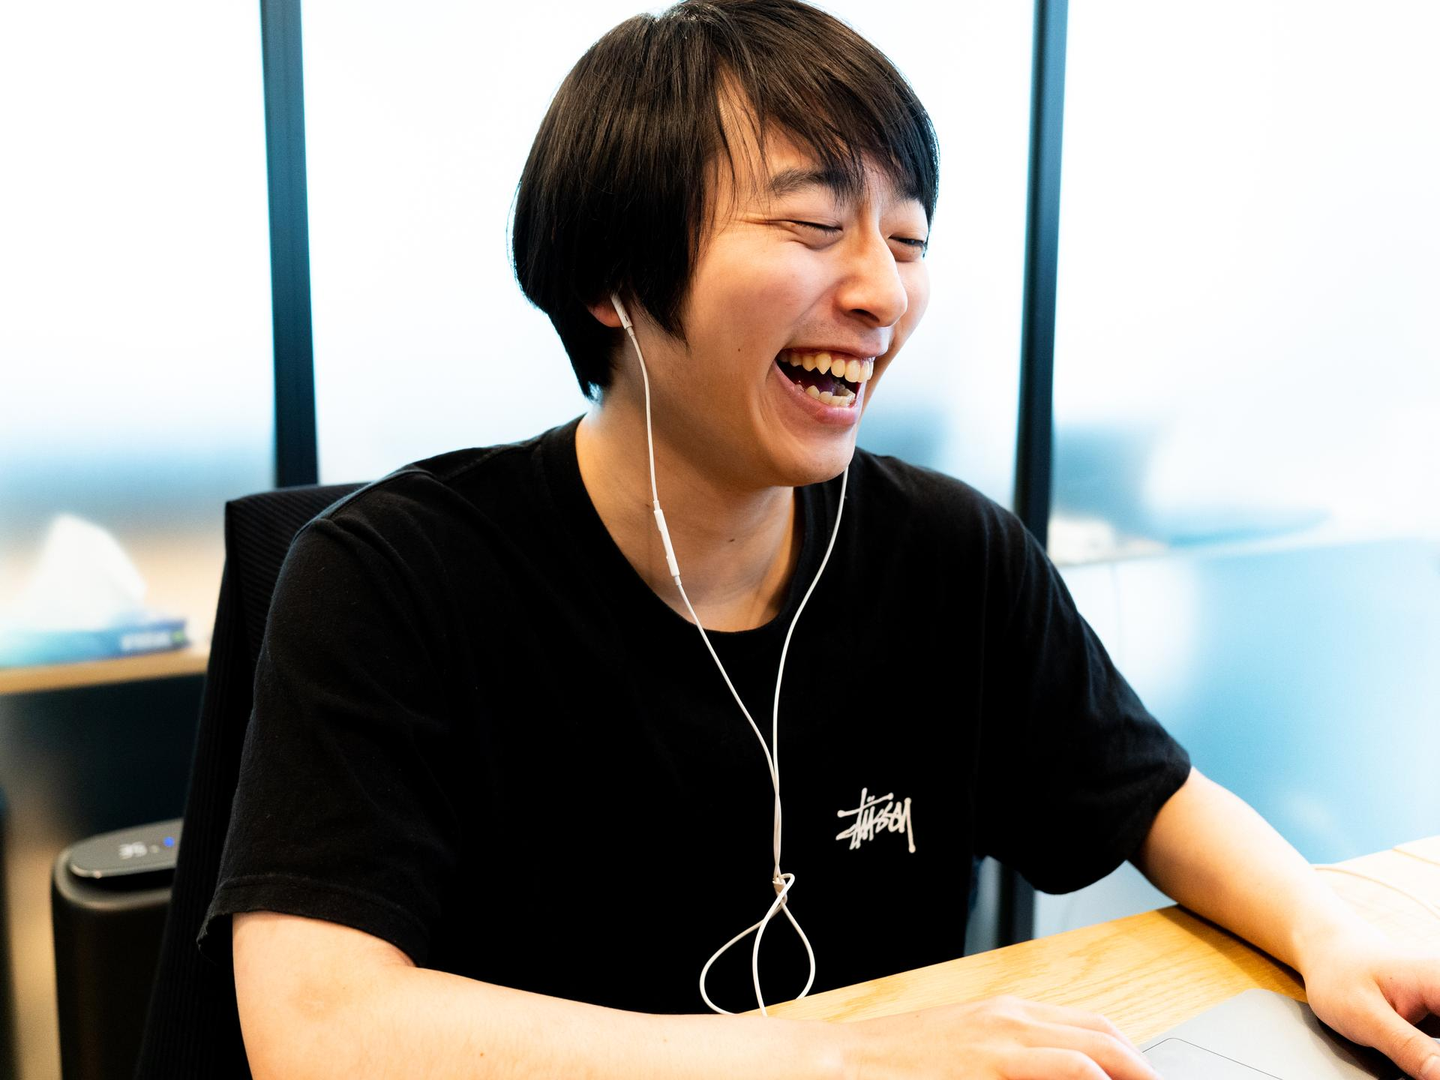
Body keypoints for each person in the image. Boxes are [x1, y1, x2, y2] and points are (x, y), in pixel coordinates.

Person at [209, 1, 1440, 1077]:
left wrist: (1328, 934)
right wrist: (832, 1059)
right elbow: (321, 1031)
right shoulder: (392, 579)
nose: (882, 294)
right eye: (811, 227)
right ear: (612, 278)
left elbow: (1153, 797)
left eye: (906, 241)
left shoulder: (949, 554)